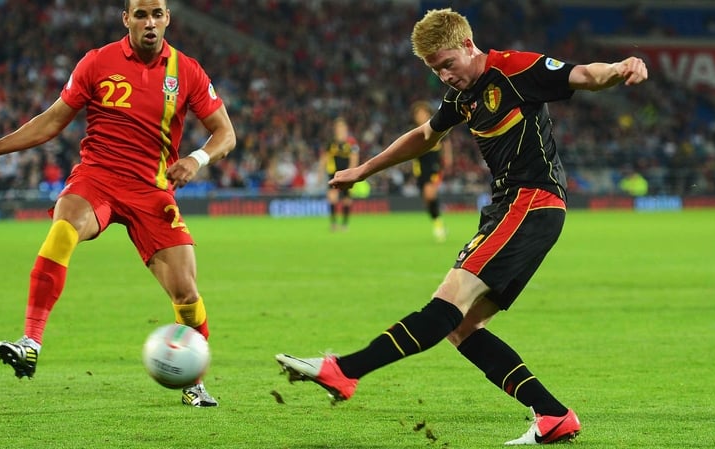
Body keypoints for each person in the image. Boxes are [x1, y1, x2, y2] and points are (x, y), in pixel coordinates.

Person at [276, 8, 647, 444]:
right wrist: (365, 170)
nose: (444, 77)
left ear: (468, 45)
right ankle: (552, 416)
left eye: (447, 64)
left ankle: (345, 371)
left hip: (531, 201)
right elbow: (425, 135)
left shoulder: (515, 70)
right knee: (462, 326)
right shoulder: (461, 97)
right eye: (435, 70)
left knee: (448, 302)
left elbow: (583, 74)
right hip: (510, 207)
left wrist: (620, 69)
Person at [0, 0, 236, 407]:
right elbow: (53, 119)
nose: (150, 23)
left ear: (167, 19)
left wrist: (196, 159)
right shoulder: (97, 62)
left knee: (187, 295)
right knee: (63, 229)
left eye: (157, 14)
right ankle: (31, 341)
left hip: (152, 190)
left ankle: (195, 381)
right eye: (140, 15)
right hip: (97, 178)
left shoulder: (187, 71)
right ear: (126, 20)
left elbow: (225, 134)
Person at [410, 100, 453, 242]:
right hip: (420, 169)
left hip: (434, 165)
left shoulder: (435, 126)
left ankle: (439, 227)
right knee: (427, 200)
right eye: (418, 114)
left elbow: (446, 141)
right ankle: (439, 223)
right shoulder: (414, 131)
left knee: (429, 194)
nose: (421, 116)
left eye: (423, 113)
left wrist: (447, 157)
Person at [320, 117, 359, 231]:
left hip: (347, 174)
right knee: (332, 197)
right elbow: (324, 158)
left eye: (342, 127)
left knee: (346, 199)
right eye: (338, 127)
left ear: (346, 128)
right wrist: (320, 172)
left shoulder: (351, 143)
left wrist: (352, 172)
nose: (340, 129)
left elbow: (354, 158)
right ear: (335, 129)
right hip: (333, 174)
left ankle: (345, 224)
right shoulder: (331, 143)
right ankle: (333, 224)